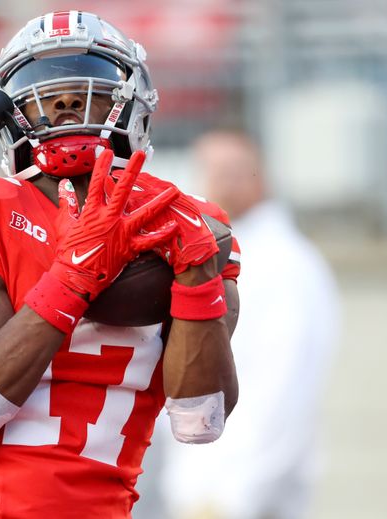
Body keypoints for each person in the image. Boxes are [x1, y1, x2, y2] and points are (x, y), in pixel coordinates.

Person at [0, 12, 242, 518]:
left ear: (134, 102)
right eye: (43, 89)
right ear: (7, 112)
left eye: (91, 84)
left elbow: (201, 421)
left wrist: (197, 271)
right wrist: (72, 278)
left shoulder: (190, 223)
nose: (66, 101)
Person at [158, 129, 339, 519]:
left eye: (233, 170)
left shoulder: (286, 264)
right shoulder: (208, 256)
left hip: (244, 499)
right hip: (200, 491)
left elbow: (284, 390)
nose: (219, 181)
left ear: (261, 176)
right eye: (209, 169)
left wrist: (232, 498)